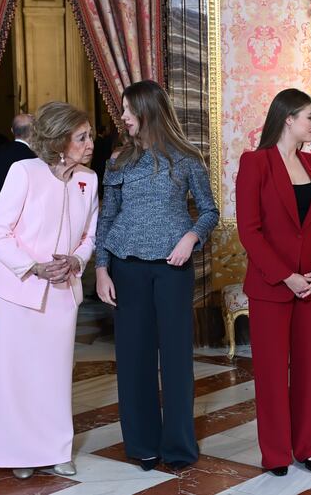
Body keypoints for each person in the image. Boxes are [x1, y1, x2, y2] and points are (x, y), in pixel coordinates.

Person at [95, 80, 219, 471]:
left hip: (173, 269)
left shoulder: (187, 158)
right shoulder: (117, 161)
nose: (124, 117)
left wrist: (190, 238)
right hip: (126, 267)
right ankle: (143, 444)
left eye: (129, 110)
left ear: (148, 110)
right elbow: (107, 218)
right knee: (134, 359)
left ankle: (179, 447)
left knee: (178, 360)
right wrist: (100, 268)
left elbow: (210, 211)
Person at [0, 102, 99, 479]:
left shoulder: (88, 180)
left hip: (63, 291)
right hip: (19, 291)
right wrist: (34, 266)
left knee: (56, 375)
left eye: (89, 135)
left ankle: (57, 450)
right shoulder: (23, 171)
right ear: (60, 140)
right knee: (17, 376)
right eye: (82, 137)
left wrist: (76, 261)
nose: (91, 143)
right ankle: (19, 454)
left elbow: (90, 235)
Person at [235, 88, 311, 476]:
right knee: (272, 373)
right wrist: (286, 276)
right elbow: (250, 231)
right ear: (288, 119)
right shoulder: (255, 162)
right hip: (272, 287)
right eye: (309, 117)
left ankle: (309, 447)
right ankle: (276, 453)